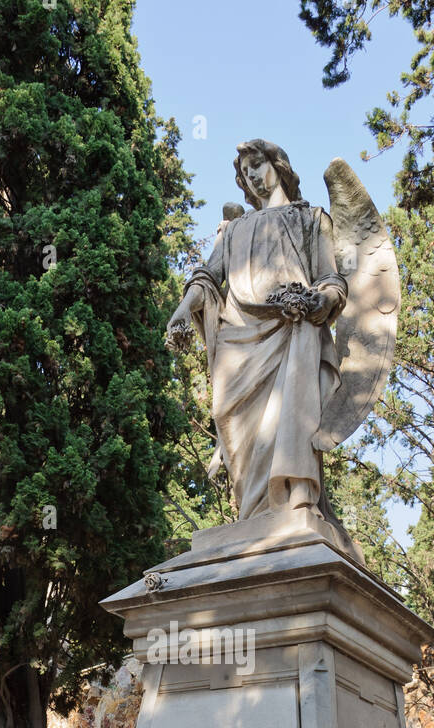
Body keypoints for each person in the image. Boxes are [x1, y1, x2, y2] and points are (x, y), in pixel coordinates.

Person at [166, 139, 348, 520]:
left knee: (294, 410)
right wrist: (183, 310)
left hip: (292, 329)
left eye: (256, 163)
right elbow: (207, 279)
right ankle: (252, 516)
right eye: (243, 170)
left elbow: (331, 279)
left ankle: (297, 497)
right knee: (230, 421)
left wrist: (322, 301)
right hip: (238, 340)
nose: (250, 174)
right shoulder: (234, 231)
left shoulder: (311, 218)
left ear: (277, 164)